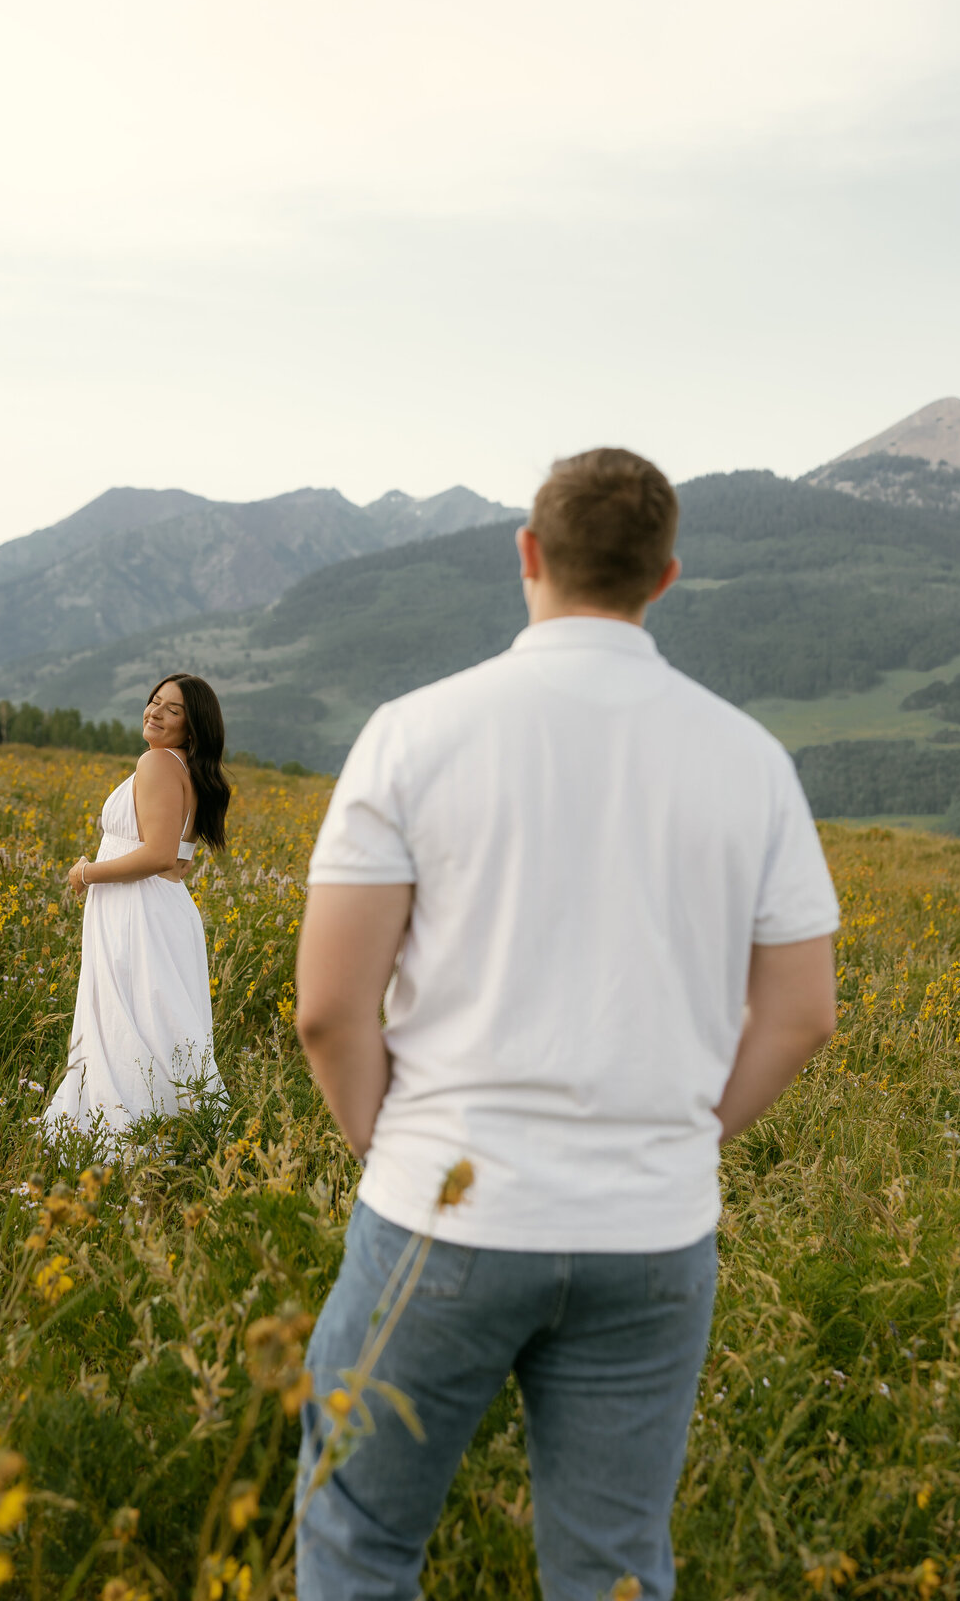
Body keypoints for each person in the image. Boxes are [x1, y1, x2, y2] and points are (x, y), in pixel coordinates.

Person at [293, 448, 839, 1601]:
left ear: (528, 556)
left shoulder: (413, 732)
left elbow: (328, 1011)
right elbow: (801, 1017)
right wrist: (683, 1138)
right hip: (651, 1230)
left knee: (359, 1541)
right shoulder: (752, 762)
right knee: (612, 1573)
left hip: (442, 1208)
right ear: (667, 577)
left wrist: (392, 1154)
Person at [44, 673, 231, 1140]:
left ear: (193, 727)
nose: (155, 711)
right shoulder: (183, 768)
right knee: (156, 1019)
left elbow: (159, 854)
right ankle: (177, 1131)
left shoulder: (157, 764)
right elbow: (178, 859)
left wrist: (85, 873)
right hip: (155, 908)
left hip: (137, 913)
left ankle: (121, 1133)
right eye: (154, 701)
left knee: (130, 1018)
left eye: (173, 709)